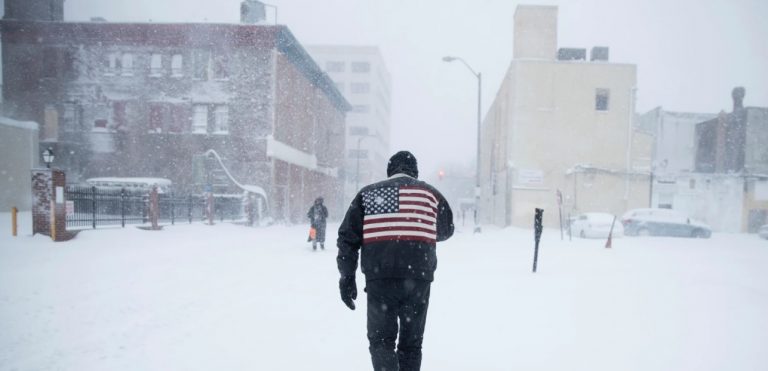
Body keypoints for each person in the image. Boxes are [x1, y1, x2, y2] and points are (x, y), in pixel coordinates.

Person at [336, 150, 454, 371]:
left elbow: (347, 239)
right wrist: (419, 227)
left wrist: (346, 277)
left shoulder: (367, 195)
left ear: (389, 171)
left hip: (380, 278)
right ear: (415, 172)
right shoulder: (431, 194)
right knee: (411, 344)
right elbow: (446, 230)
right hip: (418, 278)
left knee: (381, 341)